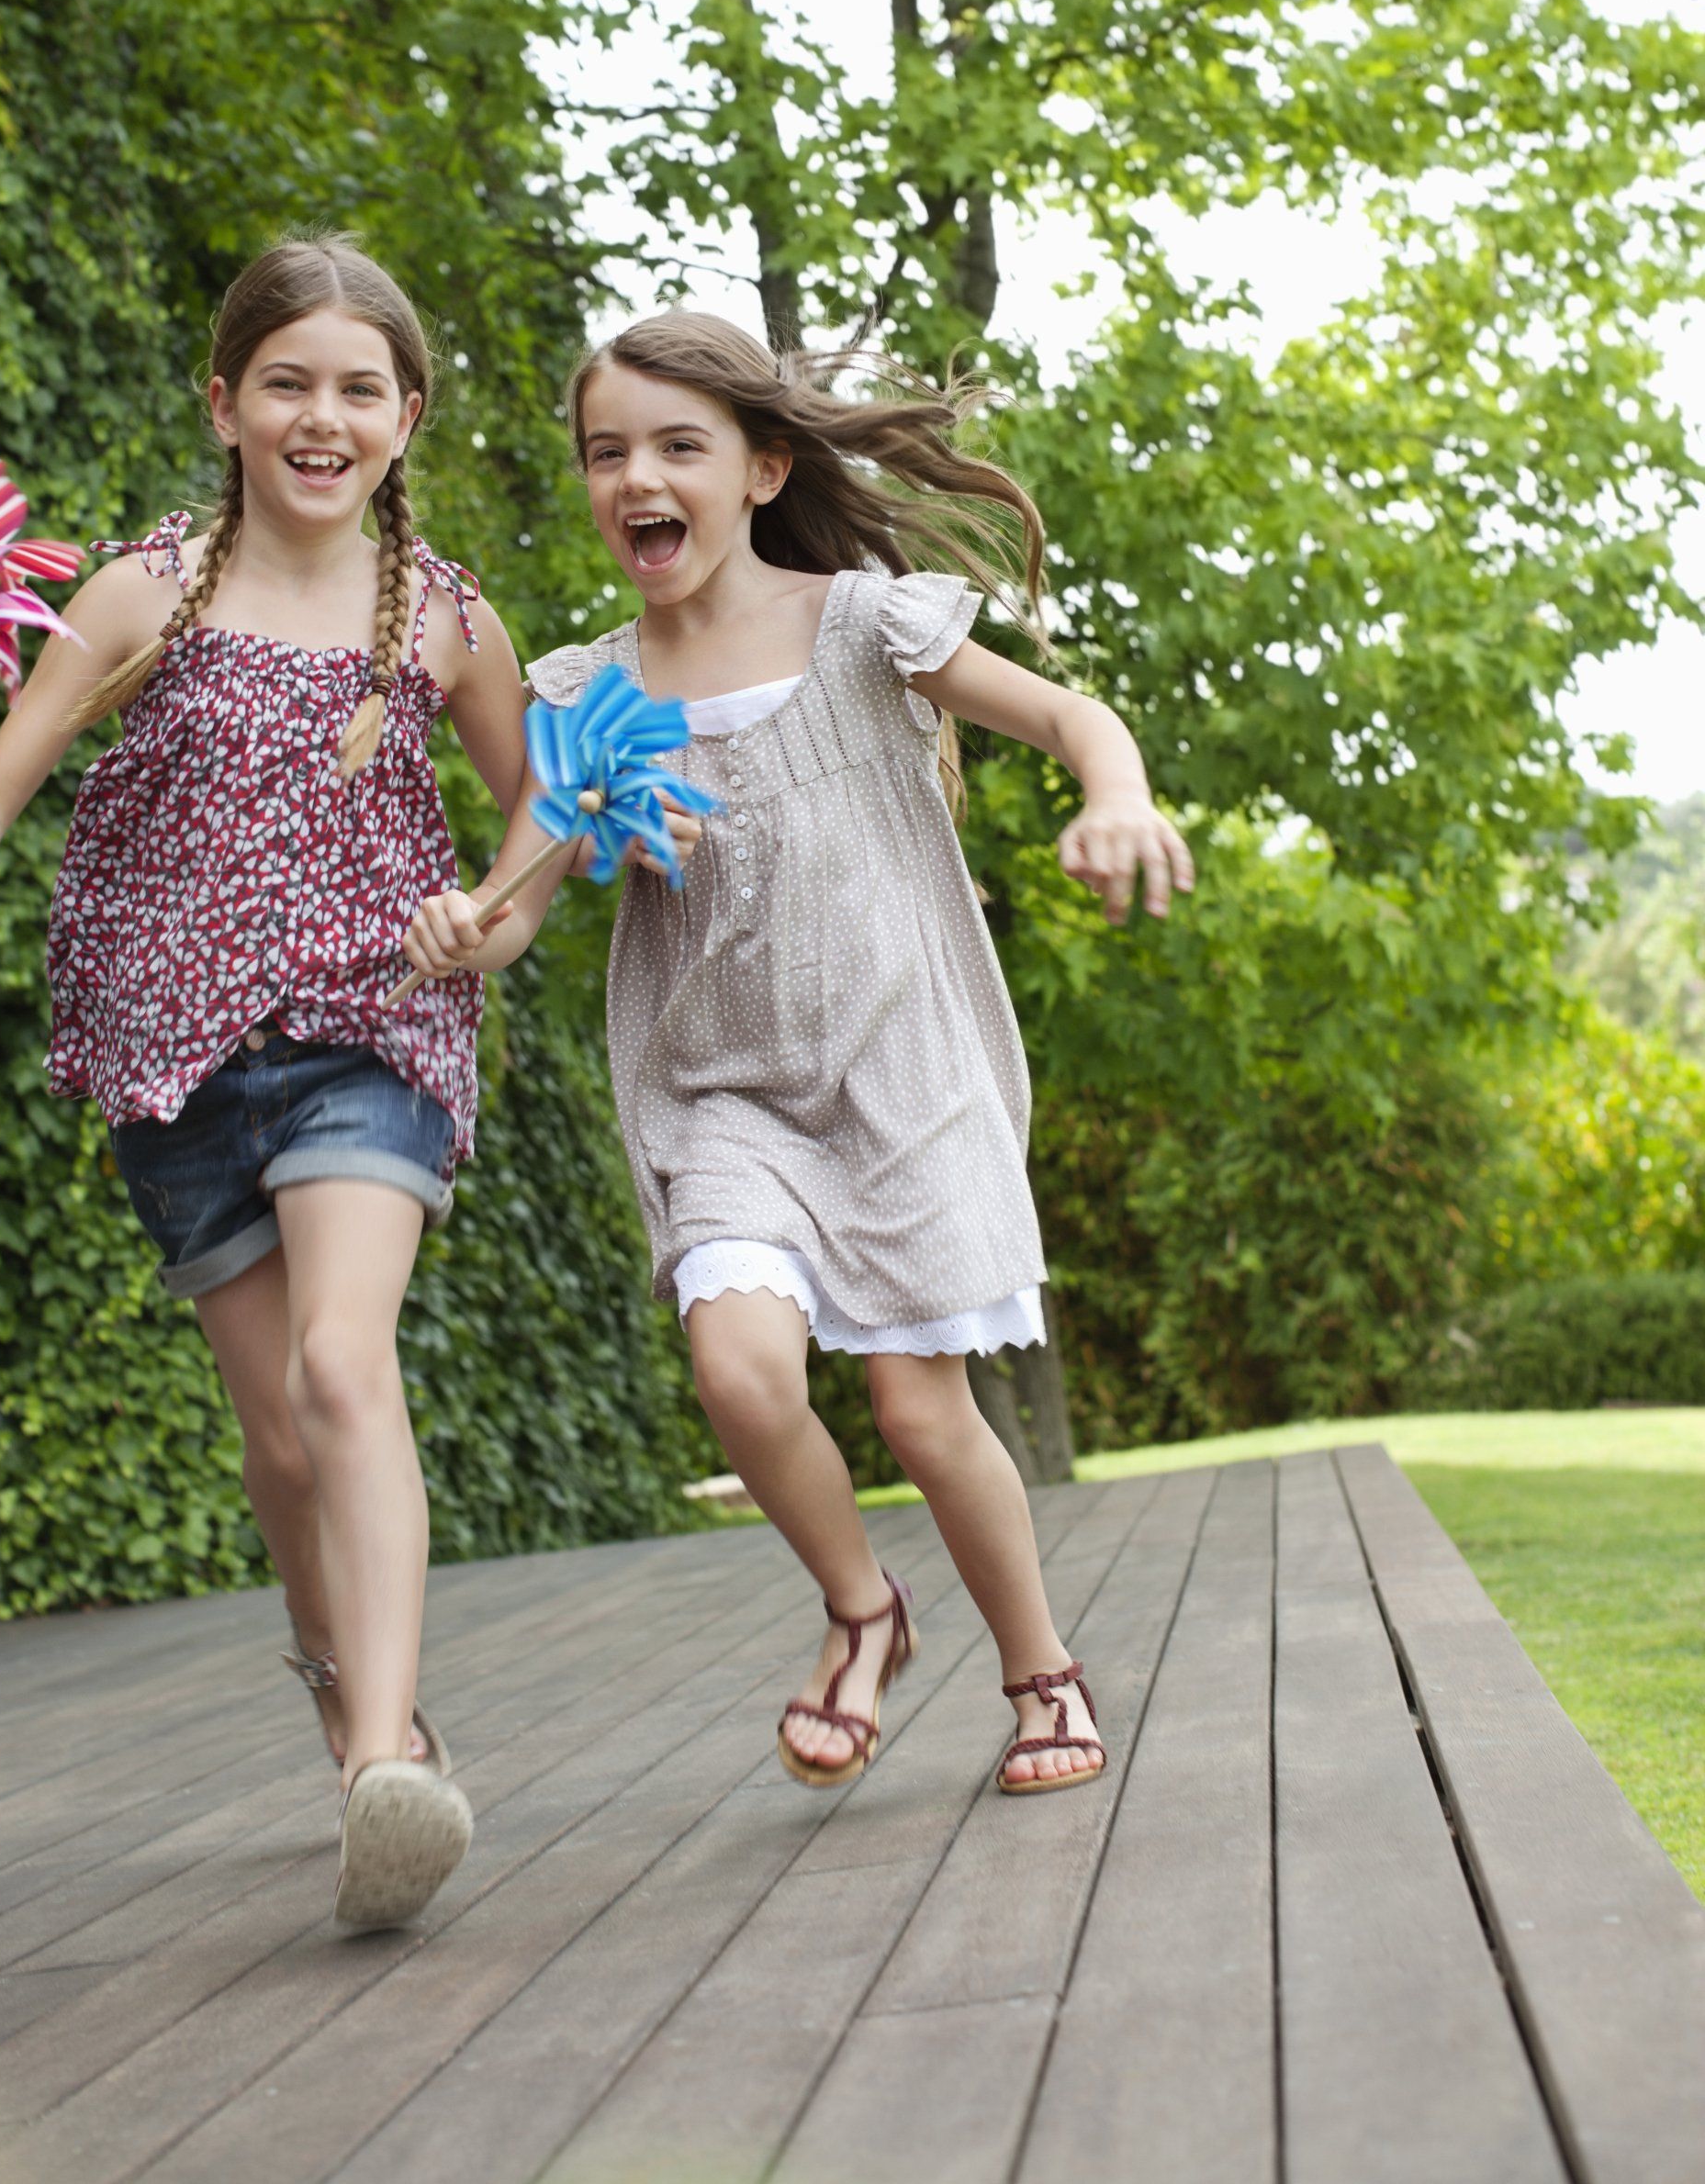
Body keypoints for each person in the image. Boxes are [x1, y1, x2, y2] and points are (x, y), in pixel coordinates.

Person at [403, 311, 1194, 1796]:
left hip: (907, 1076)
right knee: (742, 1372)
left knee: (916, 1407)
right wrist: (466, 930)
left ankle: (1042, 1675)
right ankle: (861, 1609)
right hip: (722, 1095)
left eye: (677, 446)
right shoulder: (588, 696)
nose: (637, 475)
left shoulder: (863, 626)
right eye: (606, 452)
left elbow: (1073, 716)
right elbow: (519, 895)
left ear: (765, 468)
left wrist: (1119, 792)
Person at [0, 235, 522, 1926]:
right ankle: (340, 1682)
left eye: (359, 389)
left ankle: (386, 1758)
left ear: (407, 416)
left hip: (368, 1029)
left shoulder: (449, 617)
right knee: (276, 1432)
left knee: (347, 1368)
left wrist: (488, 920)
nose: (321, 417)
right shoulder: (138, 589)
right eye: (288, 384)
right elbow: (9, 770)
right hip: (174, 1055)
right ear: (226, 402)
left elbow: (540, 812)